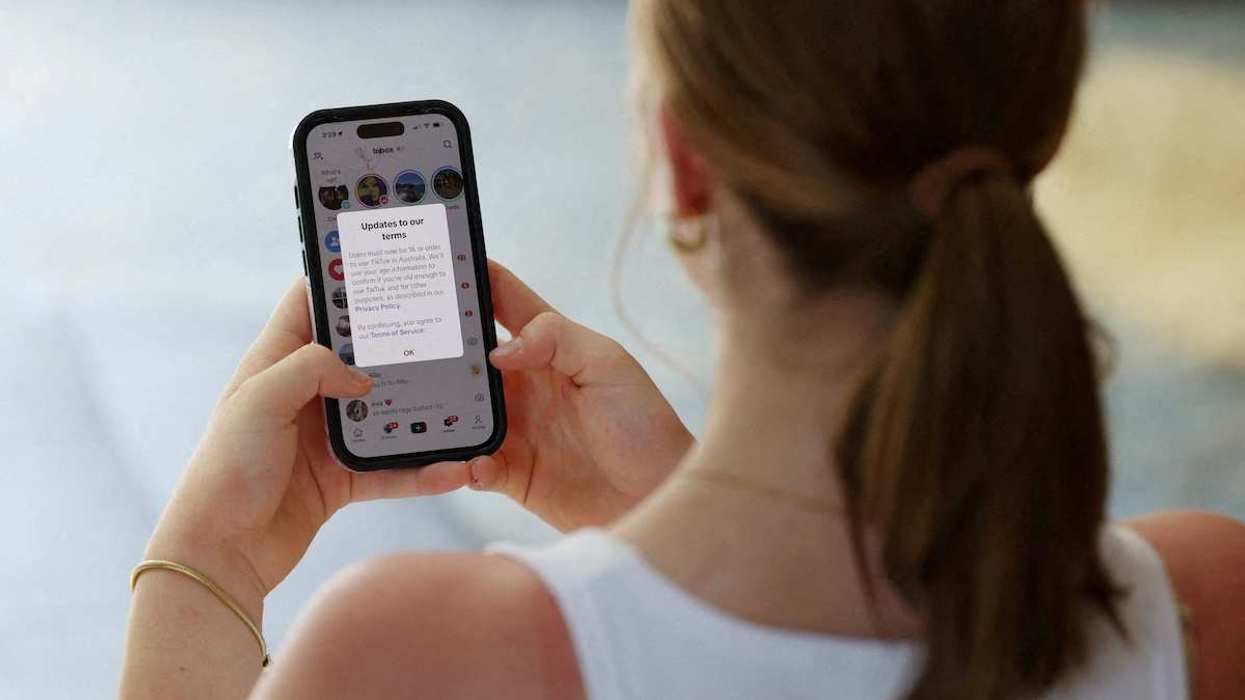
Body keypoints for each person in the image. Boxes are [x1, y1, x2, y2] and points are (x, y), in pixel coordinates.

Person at [120, 2, 1245, 698]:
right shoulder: (1208, 602)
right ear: (1040, 127)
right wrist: (651, 508)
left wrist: (207, 563)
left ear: (683, 164)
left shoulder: (408, 659)